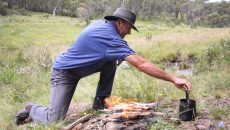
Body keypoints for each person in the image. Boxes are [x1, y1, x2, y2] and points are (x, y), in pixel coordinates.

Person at [15, 7, 191, 125]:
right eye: (129, 28)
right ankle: (31, 108)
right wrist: (173, 78)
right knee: (54, 119)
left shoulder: (104, 27)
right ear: (120, 22)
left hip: (77, 70)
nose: (129, 32)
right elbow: (141, 63)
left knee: (112, 61)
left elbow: (117, 51)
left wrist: (120, 55)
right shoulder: (110, 37)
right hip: (64, 73)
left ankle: (100, 102)